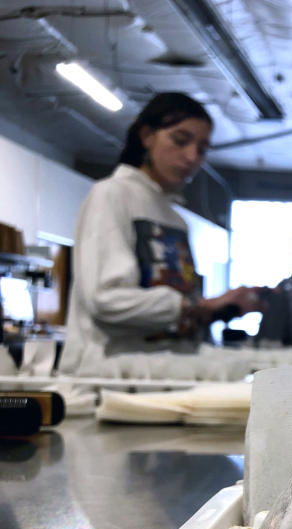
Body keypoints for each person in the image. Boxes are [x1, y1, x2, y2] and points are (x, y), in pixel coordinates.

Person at [59, 93, 262, 373]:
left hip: (162, 374)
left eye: (202, 149)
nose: (192, 156)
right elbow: (106, 299)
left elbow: (179, 305)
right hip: (110, 377)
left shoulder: (175, 218)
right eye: (180, 141)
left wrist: (216, 308)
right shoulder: (112, 194)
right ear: (147, 136)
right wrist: (193, 306)